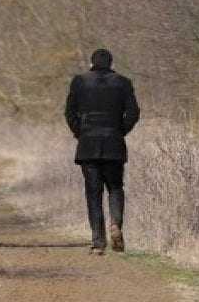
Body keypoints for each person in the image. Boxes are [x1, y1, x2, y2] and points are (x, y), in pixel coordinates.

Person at [64, 48, 139, 255]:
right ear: (111, 63)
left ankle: (98, 242)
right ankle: (116, 224)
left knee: (93, 193)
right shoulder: (123, 82)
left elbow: (69, 112)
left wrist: (80, 132)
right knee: (115, 188)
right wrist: (120, 130)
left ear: (92, 63)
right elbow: (133, 112)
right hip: (114, 143)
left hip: (88, 145)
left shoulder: (79, 81)